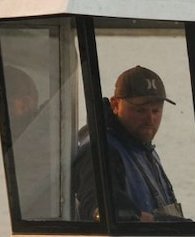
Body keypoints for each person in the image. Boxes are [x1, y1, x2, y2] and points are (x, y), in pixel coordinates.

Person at [74, 65, 184, 222]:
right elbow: (101, 212)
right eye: (140, 110)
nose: (150, 119)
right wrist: (160, 223)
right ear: (115, 105)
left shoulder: (144, 149)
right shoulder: (100, 152)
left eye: (156, 111)